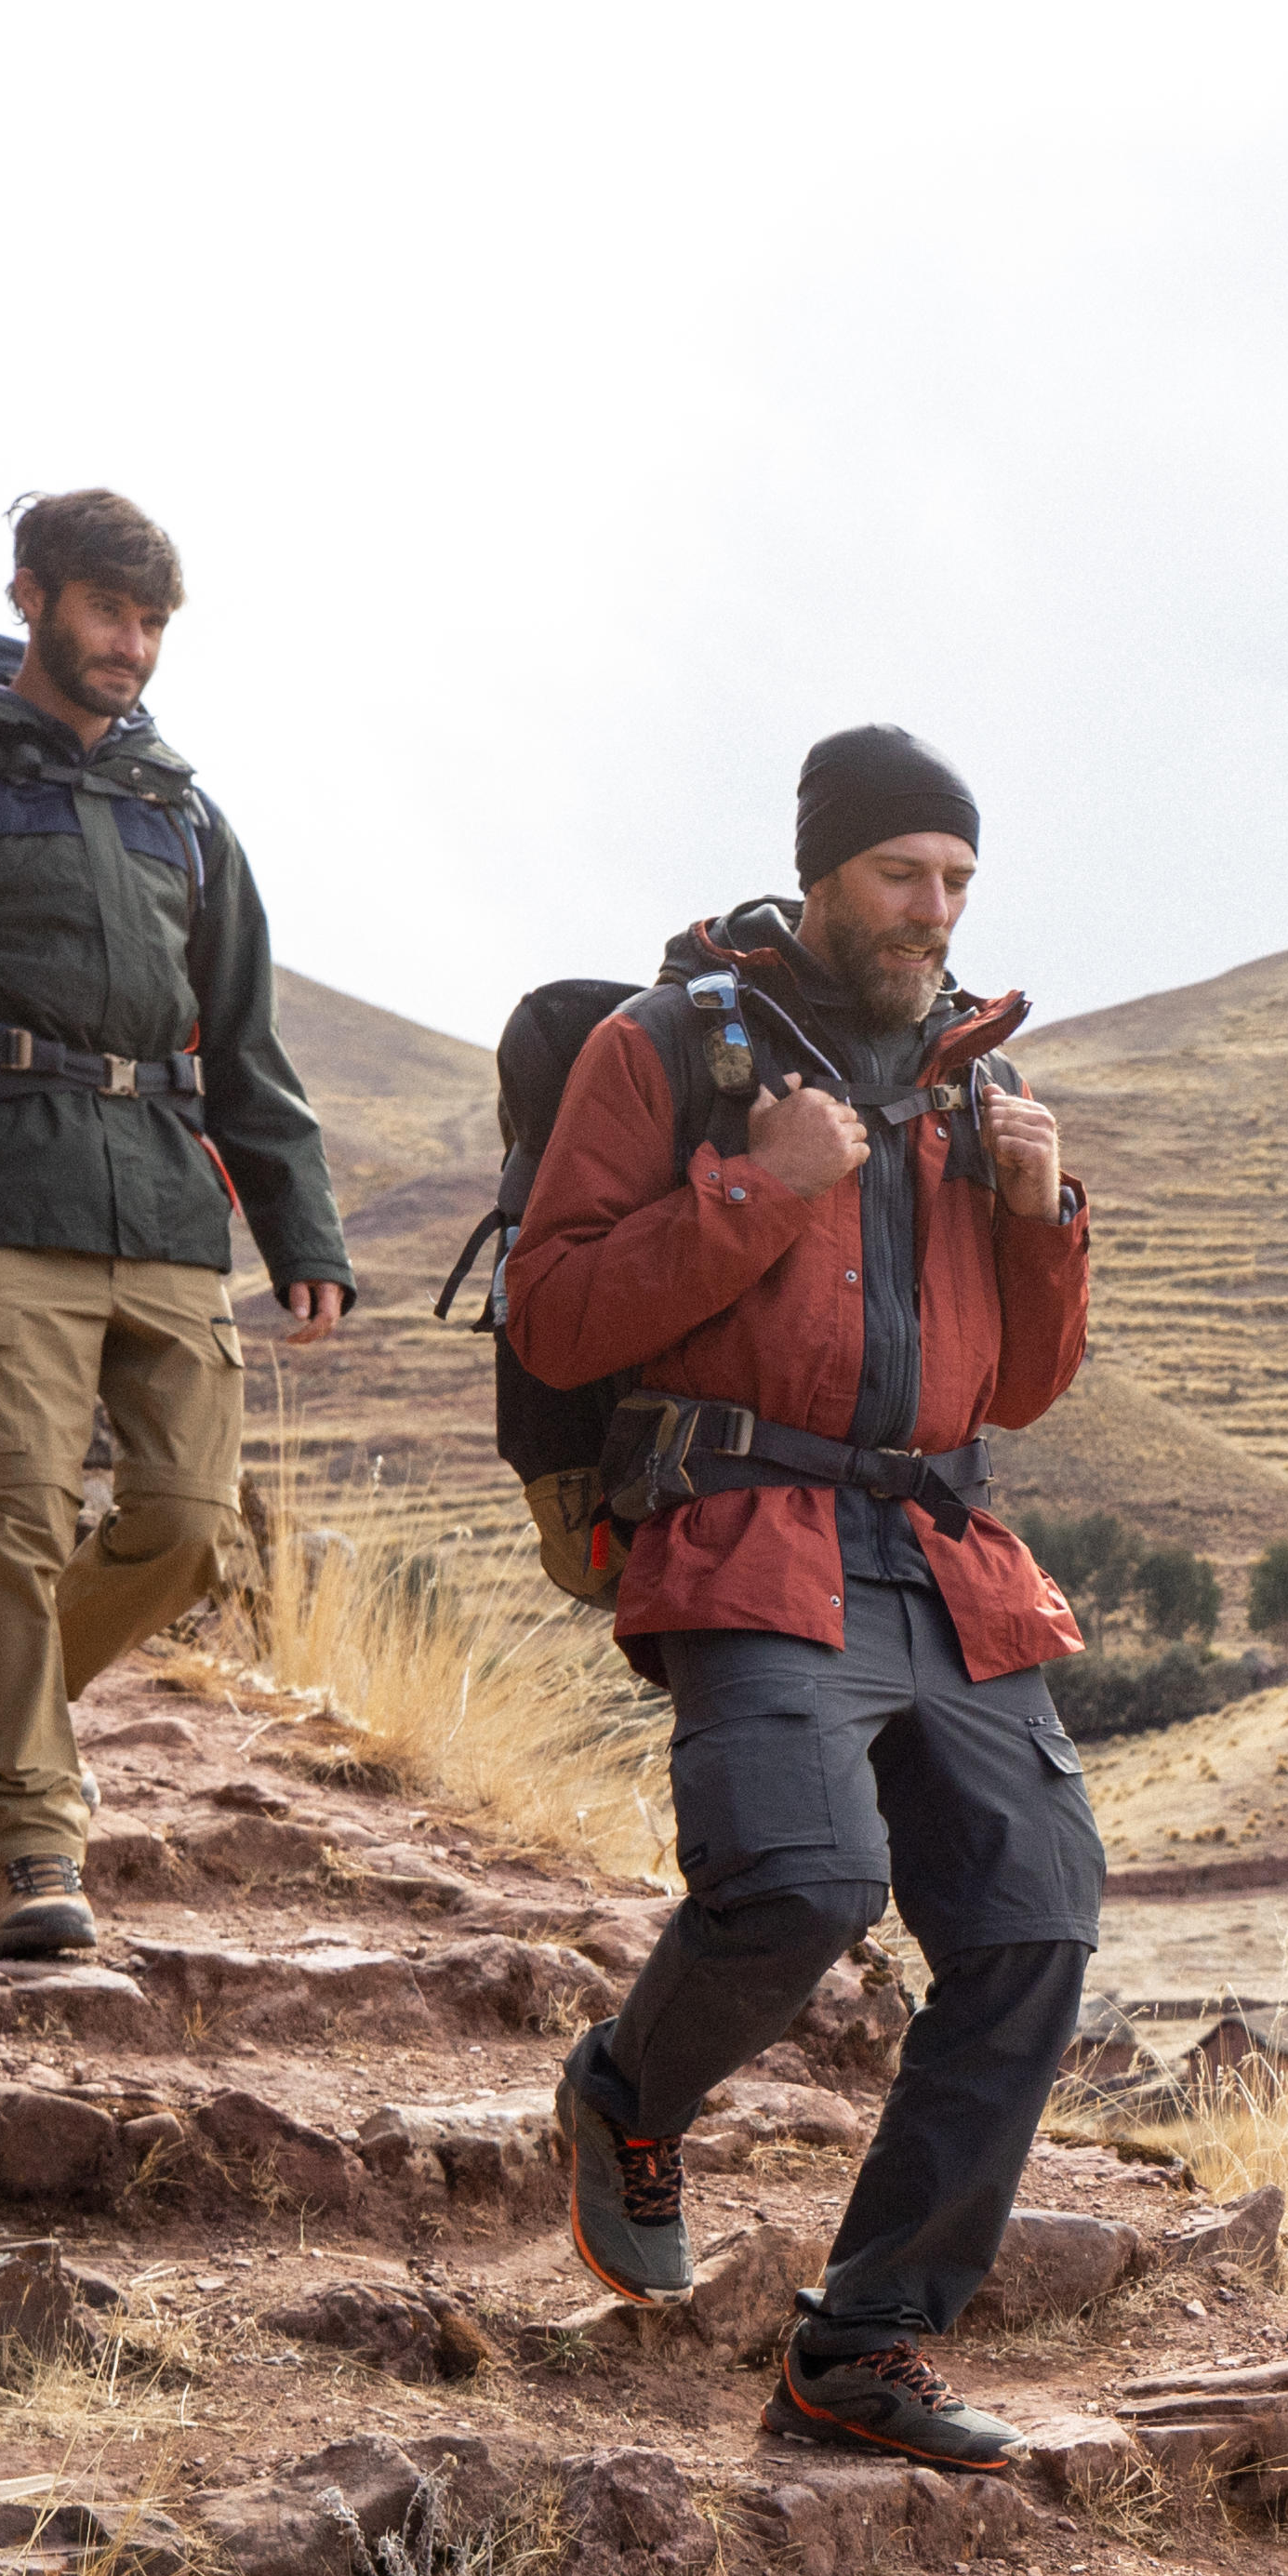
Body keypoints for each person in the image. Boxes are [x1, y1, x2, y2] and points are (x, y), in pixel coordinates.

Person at [500, 724, 1102, 2475]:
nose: (935, 912)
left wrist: (1041, 1212)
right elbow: (553, 1317)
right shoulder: (662, 1048)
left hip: (945, 1552)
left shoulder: (978, 1084)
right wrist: (767, 1184)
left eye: (960, 882)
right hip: (746, 1530)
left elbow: (1024, 1389)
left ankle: (867, 2348)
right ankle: (628, 2094)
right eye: (904, 875)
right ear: (825, 874)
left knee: (1035, 1931)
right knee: (802, 1881)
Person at [0, 491, 345, 1955]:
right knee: (19, 1526)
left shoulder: (182, 806)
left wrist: (303, 1230)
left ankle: (4, 1703)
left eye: (153, 622)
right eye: (109, 612)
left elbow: (243, 1031)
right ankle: (34, 1836)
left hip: (164, 1205)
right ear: (32, 596)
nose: (133, 647)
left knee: (184, 1525)